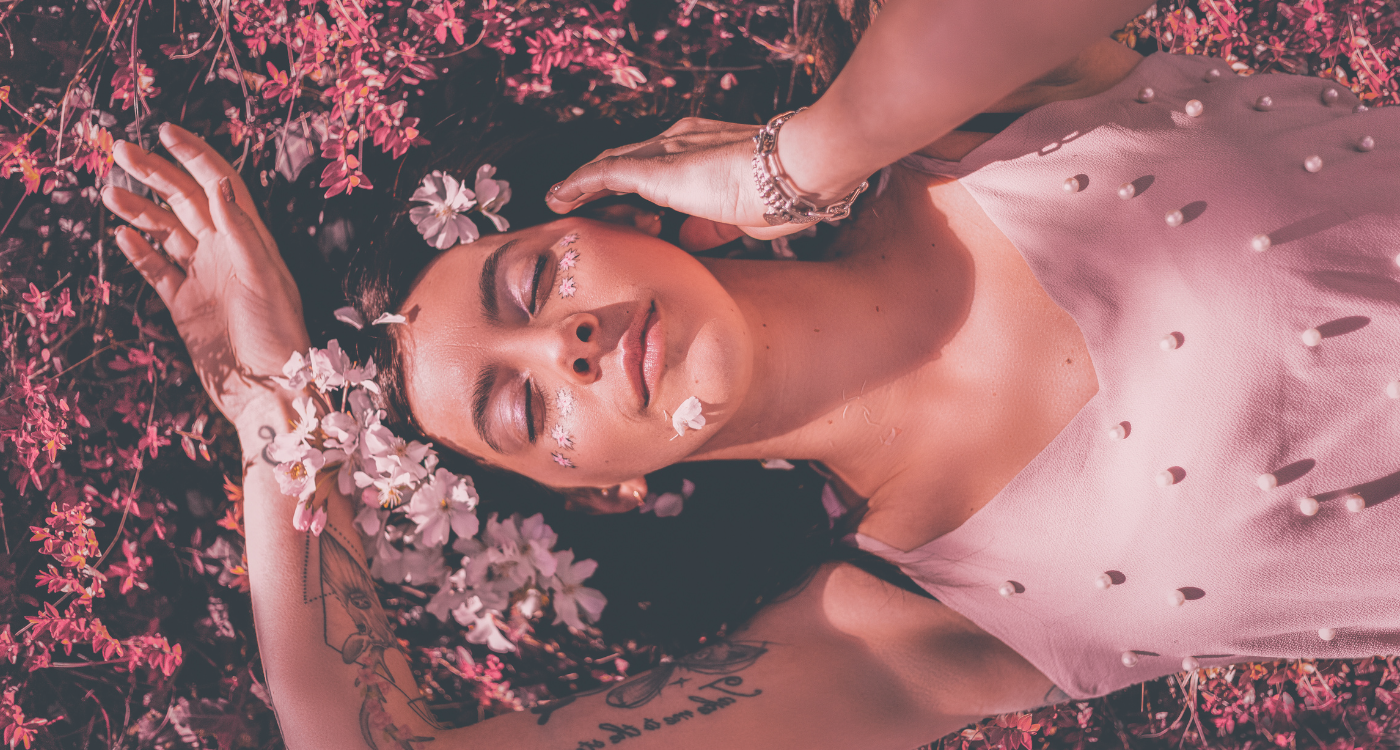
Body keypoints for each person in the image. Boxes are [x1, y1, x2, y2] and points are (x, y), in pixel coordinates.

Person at [97, 0, 1400, 746]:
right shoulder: (907, 629)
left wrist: (804, 154)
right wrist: (281, 416)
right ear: (597, 492)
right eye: (521, 402)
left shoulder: (976, 115)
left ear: (617, 210)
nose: (567, 343)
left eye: (530, 283)